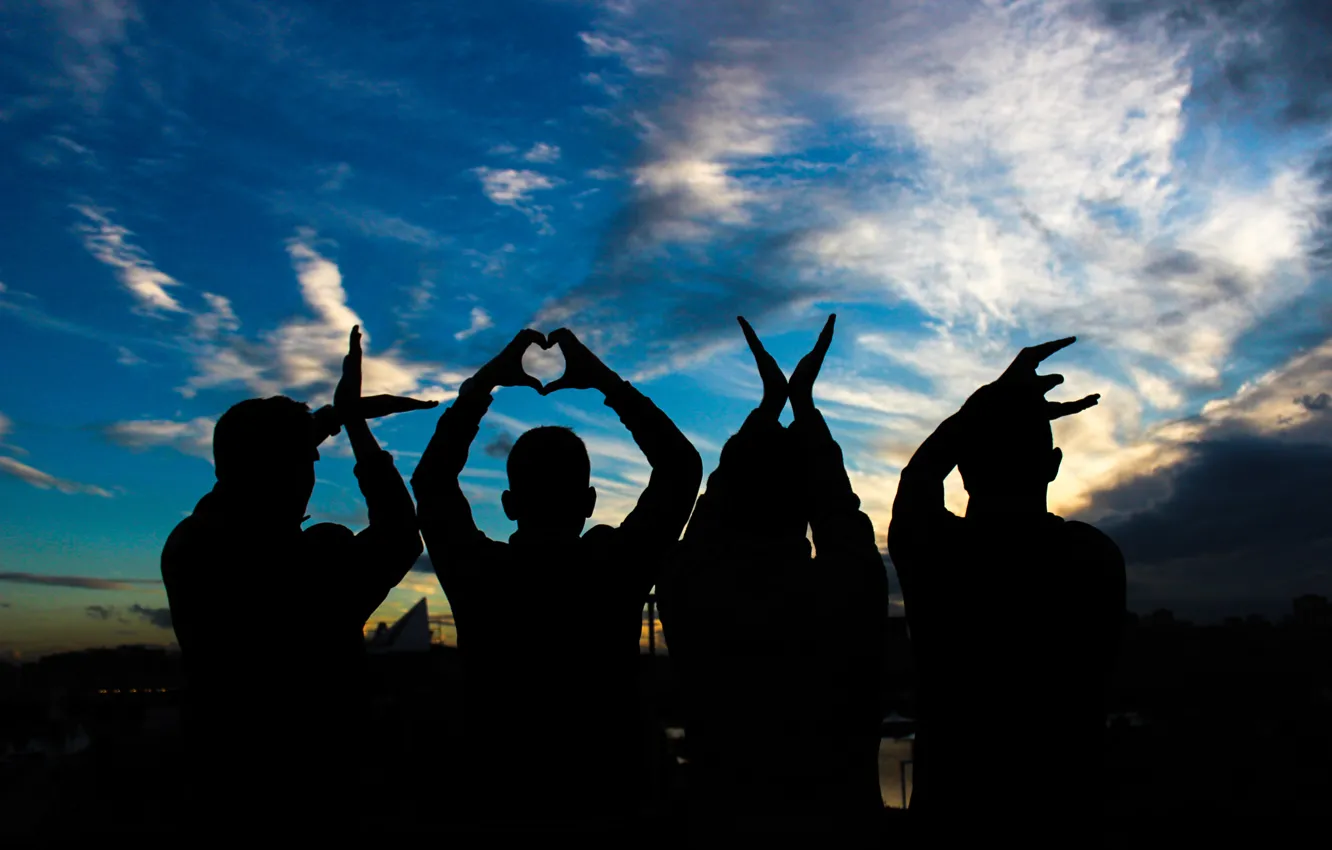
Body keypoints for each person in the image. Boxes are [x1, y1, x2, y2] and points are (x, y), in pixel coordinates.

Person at [411, 327, 702, 833]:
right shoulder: (615, 566)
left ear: (508, 505)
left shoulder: (479, 572)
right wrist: (606, 383)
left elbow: (432, 481)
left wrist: (483, 387)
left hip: (499, 802)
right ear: (589, 503)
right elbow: (679, 468)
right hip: (612, 803)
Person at [161, 326, 434, 836]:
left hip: (220, 788)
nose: (312, 474)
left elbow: (249, 473)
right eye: (307, 461)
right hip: (318, 793)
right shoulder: (310, 561)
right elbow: (400, 535)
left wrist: (328, 420)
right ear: (287, 470)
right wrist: (352, 425)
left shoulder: (191, 544)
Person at [659, 315, 888, 837]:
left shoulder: (691, 589)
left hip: (721, 829)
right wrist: (802, 405)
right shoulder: (849, 587)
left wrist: (769, 408)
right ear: (806, 503)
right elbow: (837, 508)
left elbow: (710, 513)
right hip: (840, 834)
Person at [887, 337, 1127, 837]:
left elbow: (921, 476)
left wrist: (980, 407)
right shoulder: (1093, 556)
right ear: (1054, 464)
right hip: (1066, 811)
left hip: (954, 813)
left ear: (966, 469)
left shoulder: (936, 552)